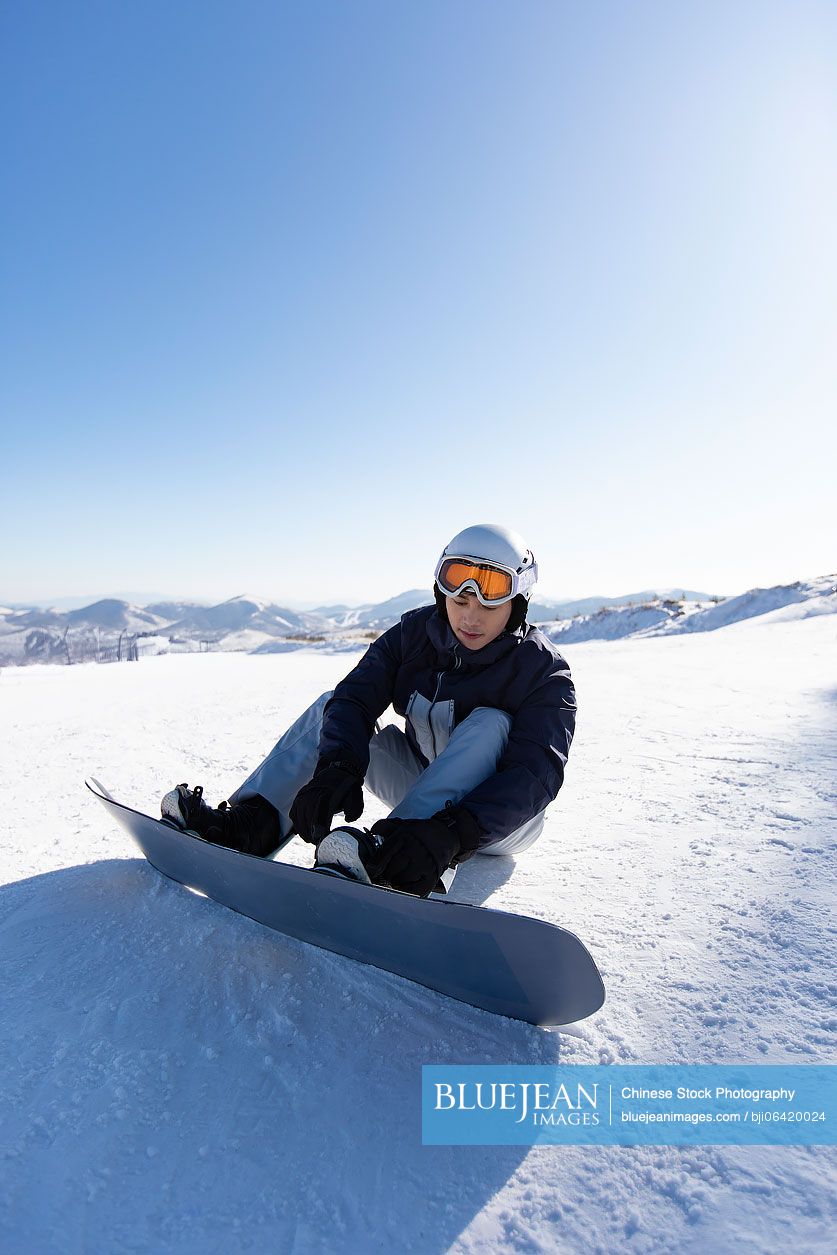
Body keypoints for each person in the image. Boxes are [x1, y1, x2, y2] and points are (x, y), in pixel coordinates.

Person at [161, 524, 577, 898]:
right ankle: (253, 825)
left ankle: (395, 855)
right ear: (441, 593)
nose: (470, 617)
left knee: (490, 723)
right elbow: (354, 699)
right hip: (421, 782)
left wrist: (453, 831)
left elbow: (534, 775)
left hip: (498, 822)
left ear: (517, 604)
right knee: (331, 707)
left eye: (488, 605)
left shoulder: (544, 671)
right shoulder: (412, 639)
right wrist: (338, 766)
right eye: (459, 598)